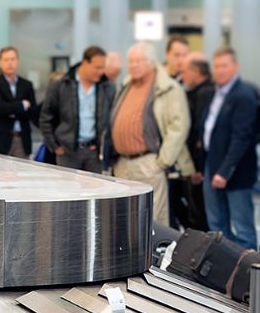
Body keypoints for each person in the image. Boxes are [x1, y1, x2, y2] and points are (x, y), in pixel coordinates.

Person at [105, 42, 193, 226]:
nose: (133, 65)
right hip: (122, 163)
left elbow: (179, 126)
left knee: (152, 221)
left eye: (139, 61)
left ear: (151, 62)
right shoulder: (126, 85)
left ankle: (153, 256)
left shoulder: (168, 88)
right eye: (131, 61)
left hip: (149, 163)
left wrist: (162, 161)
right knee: (124, 219)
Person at [201, 47, 259, 249]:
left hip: (235, 171)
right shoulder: (214, 93)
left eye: (224, 65)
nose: (220, 70)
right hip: (212, 164)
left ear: (235, 66)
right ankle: (224, 271)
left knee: (242, 228)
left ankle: (248, 274)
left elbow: (241, 137)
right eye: (216, 66)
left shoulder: (244, 95)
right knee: (217, 225)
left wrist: (225, 171)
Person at [39, 46, 114, 173]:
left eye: (103, 67)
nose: (101, 72)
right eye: (97, 67)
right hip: (67, 152)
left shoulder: (107, 87)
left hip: (94, 153)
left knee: (95, 191)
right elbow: (46, 117)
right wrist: (55, 146)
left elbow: (110, 118)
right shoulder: (61, 85)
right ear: (85, 63)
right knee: (69, 191)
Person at [174, 53, 213, 231]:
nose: (182, 77)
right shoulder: (196, 93)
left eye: (184, 72)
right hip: (196, 164)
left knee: (200, 214)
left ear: (196, 71)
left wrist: (196, 167)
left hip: (200, 166)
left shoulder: (205, 94)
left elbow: (199, 132)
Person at [0, 46, 38, 158]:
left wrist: (11, 108)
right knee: (0, 173)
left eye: (12, 59)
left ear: (18, 61)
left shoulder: (26, 85)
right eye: (6, 60)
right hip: (0, 140)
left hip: (21, 139)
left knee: (22, 173)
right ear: (0, 62)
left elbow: (33, 110)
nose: (10, 63)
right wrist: (21, 105)